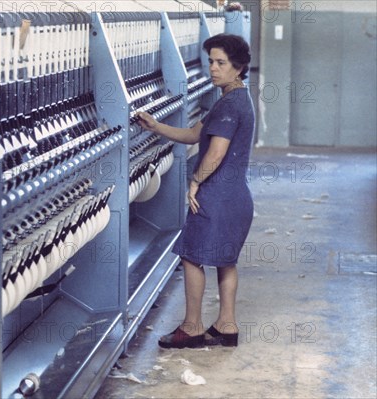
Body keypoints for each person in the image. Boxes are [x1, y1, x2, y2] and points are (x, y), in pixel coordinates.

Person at [136, 33, 254, 349]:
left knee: (191, 256)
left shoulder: (229, 106)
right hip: (236, 197)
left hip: (216, 197)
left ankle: (191, 327)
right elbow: (192, 135)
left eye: (220, 63)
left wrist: (195, 181)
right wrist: (155, 126)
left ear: (239, 67)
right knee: (225, 261)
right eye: (210, 62)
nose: (213, 69)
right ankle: (226, 326)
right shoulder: (234, 100)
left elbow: (215, 152)